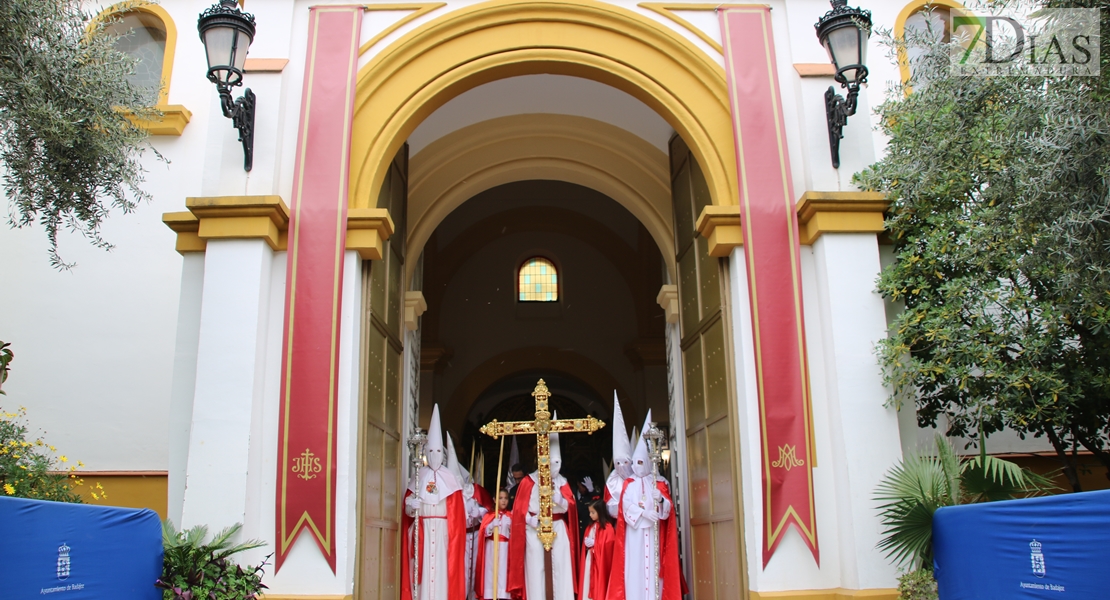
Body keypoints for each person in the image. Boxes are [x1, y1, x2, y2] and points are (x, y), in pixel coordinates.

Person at [607, 411, 684, 600]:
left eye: (641, 462)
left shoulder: (659, 483)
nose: (637, 466)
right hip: (635, 534)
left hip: (653, 533)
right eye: (635, 462)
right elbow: (625, 506)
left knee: (654, 570)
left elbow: (668, 510)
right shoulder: (629, 483)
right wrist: (643, 513)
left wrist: (660, 501)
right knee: (635, 569)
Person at [402, 405, 468, 600]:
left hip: (443, 531)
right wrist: (410, 506)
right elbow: (407, 509)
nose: (435, 454)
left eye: (438, 450)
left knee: (441, 571)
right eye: (431, 450)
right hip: (422, 528)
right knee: (421, 571)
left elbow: (457, 514)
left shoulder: (450, 479)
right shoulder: (418, 475)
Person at [507, 426, 579, 600]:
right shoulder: (528, 481)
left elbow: (571, 507)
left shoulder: (563, 482)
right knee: (535, 568)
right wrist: (530, 520)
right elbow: (518, 509)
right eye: (549, 462)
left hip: (558, 529)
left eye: (557, 462)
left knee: (561, 568)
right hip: (534, 530)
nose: (553, 466)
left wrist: (559, 499)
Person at [447, 433, 490, 600]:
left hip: (476, 535)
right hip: (461, 537)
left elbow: (489, 509)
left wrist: (480, 513)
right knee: (462, 570)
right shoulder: (454, 496)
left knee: (476, 569)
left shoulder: (476, 491)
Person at [474, 490, 512, 600]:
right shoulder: (489, 516)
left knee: (503, 572)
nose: (503, 501)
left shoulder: (510, 516)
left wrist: (512, 527)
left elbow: (517, 536)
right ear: (495, 500)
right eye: (500, 498)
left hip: (505, 547)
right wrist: (491, 526)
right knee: (491, 571)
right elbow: (483, 533)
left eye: (505, 498)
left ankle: (503, 595)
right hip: (491, 547)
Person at [579, 500, 616, 600]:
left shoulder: (608, 528)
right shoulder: (590, 527)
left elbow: (609, 546)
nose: (590, 515)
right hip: (589, 560)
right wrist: (586, 544)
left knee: (599, 581)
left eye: (593, 512)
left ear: (600, 512)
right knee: (587, 580)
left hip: (600, 562)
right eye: (590, 512)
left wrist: (596, 544)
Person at [605, 393, 633, 518]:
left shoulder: (639, 480)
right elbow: (609, 508)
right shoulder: (612, 481)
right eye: (618, 463)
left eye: (625, 462)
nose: (622, 466)